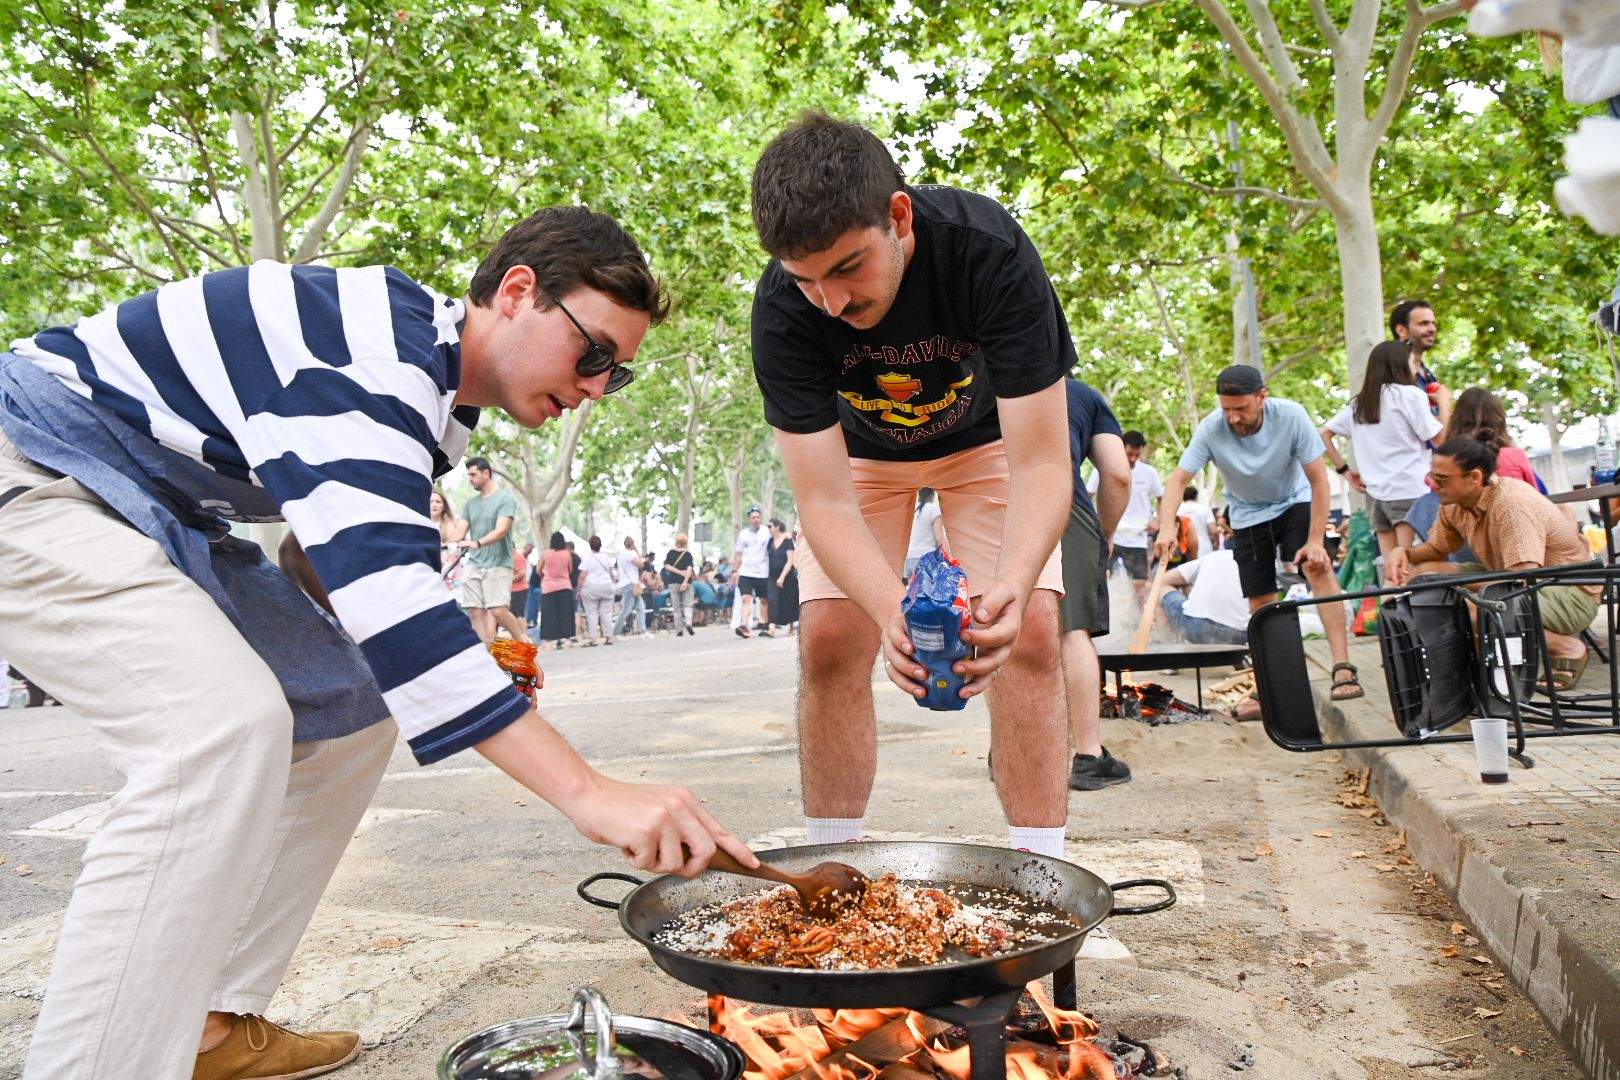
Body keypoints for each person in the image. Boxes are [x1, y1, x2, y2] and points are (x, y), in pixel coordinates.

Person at [0, 207, 758, 1080]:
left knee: (355, 708)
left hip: (152, 507)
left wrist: (452, 645)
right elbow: (389, 603)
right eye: (592, 354)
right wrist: (589, 792)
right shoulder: (372, 355)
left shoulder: (436, 402)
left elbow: (320, 557)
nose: (595, 386)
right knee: (218, 730)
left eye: (615, 377)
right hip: (38, 467)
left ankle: (207, 1022)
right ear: (517, 293)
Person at [750, 113, 1072, 859]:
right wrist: (893, 611)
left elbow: (1044, 464)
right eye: (806, 280)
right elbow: (823, 499)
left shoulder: (987, 252)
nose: (830, 303)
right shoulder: (782, 313)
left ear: (898, 216)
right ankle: (832, 872)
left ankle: (1042, 878)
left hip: (989, 442)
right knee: (832, 640)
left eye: (847, 268)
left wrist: (1016, 585)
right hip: (862, 458)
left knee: (1027, 634)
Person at [1153, 365, 1361, 720]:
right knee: (1261, 601)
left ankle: (1342, 666)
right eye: (1226, 409)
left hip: (1294, 501)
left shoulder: (1291, 416)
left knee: (1317, 567)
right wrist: (1166, 528)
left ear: (1263, 397)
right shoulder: (1211, 427)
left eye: (1242, 408)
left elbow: (1318, 482)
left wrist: (1314, 541)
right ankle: (1268, 688)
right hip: (1248, 514)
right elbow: (1177, 480)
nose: (1233, 418)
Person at [1387, 429, 1599, 690]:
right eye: (1432, 476)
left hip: (1566, 593)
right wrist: (1403, 552)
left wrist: (1456, 588)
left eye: (1441, 479)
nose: (1432, 485)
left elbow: (1521, 579)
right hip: (1519, 579)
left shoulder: (1511, 504)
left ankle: (1566, 647)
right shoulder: (1453, 502)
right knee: (1425, 574)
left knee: (1472, 609)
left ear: (1474, 477)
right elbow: (1437, 550)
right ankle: (1463, 665)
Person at [1059, 378, 1131, 792]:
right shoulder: (1082, 395)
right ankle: (1088, 756)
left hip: (988, 504)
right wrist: (1102, 534)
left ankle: (1012, 752)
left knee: (1007, 626)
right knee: (1072, 631)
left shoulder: (977, 382)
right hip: (1061, 506)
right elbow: (1117, 475)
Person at [1320, 340, 1445, 575]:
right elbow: (1441, 440)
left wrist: (1345, 471)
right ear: (1400, 363)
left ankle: (1389, 609)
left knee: (1392, 569)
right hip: (1410, 491)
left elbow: (1324, 435)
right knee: (1411, 567)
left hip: (1376, 496)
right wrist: (1444, 404)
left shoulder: (1360, 404)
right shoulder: (1410, 395)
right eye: (1412, 361)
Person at [459, 456, 531, 645]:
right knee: (474, 610)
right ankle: (487, 656)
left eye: (473, 474)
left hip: (498, 563)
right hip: (474, 563)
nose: (470, 479)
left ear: (486, 473)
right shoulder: (470, 504)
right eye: (468, 475)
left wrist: (478, 543)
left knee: (497, 609)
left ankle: (521, 642)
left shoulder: (504, 499)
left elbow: (502, 530)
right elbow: (458, 532)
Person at [1093, 430, 1162, 597]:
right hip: (1110, 535)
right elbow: (1088, 494)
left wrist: (1157, 521)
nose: (1133, 459)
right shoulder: (1104, 468)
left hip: (1137, 538)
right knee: (1102, 579)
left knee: (1139, 584)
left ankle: (1137, 620)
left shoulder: (1149, 472)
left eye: (1137, 455)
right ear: (1121, 448)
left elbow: (1162, 497)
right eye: (1129, 454)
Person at [1159, 549, 1250, 646]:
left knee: (1159, 588)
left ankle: (1167, 646)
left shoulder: (1216, 556)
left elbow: (1163, 579)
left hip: (1198, 628)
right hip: (1241, 636)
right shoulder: (1257, 563)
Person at [1390, 299, 1450, 417]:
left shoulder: (1428, 374)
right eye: (1424, 323)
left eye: (1433, 323)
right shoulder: (1391, 372)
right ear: (1401, 330)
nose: (1432, 329)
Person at [732, 508, 771, 637]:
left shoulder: (767, 531)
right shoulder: (743, 534)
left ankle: (765, 624)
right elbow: (738, 553)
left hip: (763, 572)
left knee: (764, 600)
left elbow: (778, 537)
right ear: (749, 519)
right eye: (753, 517)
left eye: (758, 517)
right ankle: (744, 625)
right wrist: (734, 570)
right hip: (746, 572)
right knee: (745, 599)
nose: (756, 520)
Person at [577, 535, 621, 646]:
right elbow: (612, 573)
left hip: (591, 587)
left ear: (590, 545)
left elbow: (582, 576)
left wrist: (578, 590)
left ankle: (593, 638)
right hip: (607, 586)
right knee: (606, 612)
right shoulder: (606, 557)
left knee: (591, 613)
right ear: (600, 545)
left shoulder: (587, 558)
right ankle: (609, 636)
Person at [539, 531, 577, 649]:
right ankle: (566, 637)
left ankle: (550, 639)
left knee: (549, 614)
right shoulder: (567, 554)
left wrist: (544, 576)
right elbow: (570, 569)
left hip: (548, 587)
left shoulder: (545, 554)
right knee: (565, 613)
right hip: (564, 586)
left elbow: (538, 569)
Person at [766, 517, 800, 635]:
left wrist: (782, 576)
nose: (768, 529)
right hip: (772, 575)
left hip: (787, 576)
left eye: (770, 526)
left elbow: (790, 560)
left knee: (789, 600)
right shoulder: (770, 541)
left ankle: (791, 627)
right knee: (772, 600)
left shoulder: (787, 541)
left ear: (777, 527)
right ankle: (772, 627)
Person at [903, 487, 947, 579]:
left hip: (910, 558)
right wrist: (948, 558)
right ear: (932, 494)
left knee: (914, 592)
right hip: (926, 558)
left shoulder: (913, 510)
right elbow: (940, 538)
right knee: (931, 591)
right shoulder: (932, 509)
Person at [431, 488, 468, 593]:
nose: (434, 504)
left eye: (437, 502)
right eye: (431, 501)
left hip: (448, 573)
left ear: (443, 506)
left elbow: (454, 552)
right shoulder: (421, 523)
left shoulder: (450, 526)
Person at [612, 536, 648, 638]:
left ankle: (642, 631)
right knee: (626, 610)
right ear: (632, 544)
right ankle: (615, 632)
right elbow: (640, 564)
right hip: (630, 584)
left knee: (640, 607)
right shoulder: (630, 553)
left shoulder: (620, 554)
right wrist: (637, 551)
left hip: (628, 583)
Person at [663, 533, 698, 636]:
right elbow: (689, 569)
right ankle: (688, 623)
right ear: (685, 542)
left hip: (673, 582)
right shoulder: (687, 554)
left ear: (676, 542)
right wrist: (685, 581)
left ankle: (679, 630)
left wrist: (678, 572)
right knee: (688, 604)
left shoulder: (671, 553)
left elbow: (667, 566)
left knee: (676, 607)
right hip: (687, 583)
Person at [1175, 486, 1217, 560]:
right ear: (1196, 496)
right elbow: (1214, 531)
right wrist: (1216, 543)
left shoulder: (1178, 510)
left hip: (1184, 551)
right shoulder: (1205, 509)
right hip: (1205, 550)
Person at [511, 542, 532, 622]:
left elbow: (522, 573)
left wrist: (509, 581)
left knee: (519, 615)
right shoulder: (513, 557)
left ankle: (522, 634)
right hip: (514, 589)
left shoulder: (517, 557)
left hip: (519, 589)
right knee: (514, 615)